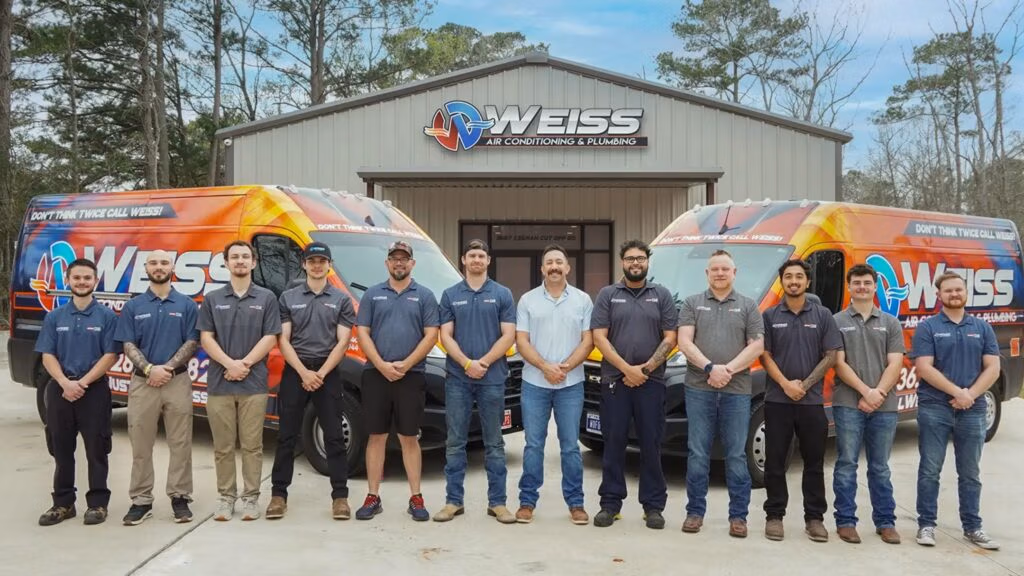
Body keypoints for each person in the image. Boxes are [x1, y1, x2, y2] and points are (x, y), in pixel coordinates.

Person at [911, 271, 1001, 551]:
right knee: (929, 469)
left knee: (970, 472)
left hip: (972, 410)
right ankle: (926, 525)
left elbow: (993, 367)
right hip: (934, 407)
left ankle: (973, 527)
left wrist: (970, 395)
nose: (954, 294)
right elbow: (924, 368)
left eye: (958, 290)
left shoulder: (982, 327)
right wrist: (957, 393)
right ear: (938, 296)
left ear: (966, 293)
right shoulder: (927, 327)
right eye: (948, 291)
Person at [677, 250, 764, 538]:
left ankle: (738, 517)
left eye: (725, 269)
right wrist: (710, 367)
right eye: (714, 269)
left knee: (736, 455)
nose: (719, 273)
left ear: (734, 272)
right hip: (698, 389)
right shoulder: (692, 303)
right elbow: (684, 342)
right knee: (698, 452)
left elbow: (756, 347)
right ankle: (694, 512)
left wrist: (726, 370)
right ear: (707, 274)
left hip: (737, 391)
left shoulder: (749, 306)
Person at [591, 240, 678, 529]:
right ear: (622, 262)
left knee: (651, 444)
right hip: (615, 381)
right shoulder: (607, 294)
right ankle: (610, 504)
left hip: (651, 382)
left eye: (640, 258)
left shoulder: (661, 295)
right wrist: (627, 369)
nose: (635, 263)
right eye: (630, 259)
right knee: (613, 443)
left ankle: (653, 506)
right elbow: (600, 337)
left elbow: (670, 337)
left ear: (648, 262)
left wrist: (646, 368)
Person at [266, 242, 356, 520]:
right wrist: (304, 373)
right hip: (296, 371)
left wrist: (321, 373)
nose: (317, 265)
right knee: (286, 436)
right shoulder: (288, 298)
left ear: (329, 266)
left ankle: (340, 497)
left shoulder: (341, 299)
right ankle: (278, 495)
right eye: (312, 261)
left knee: (334, 437)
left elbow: (342, 342)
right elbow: (283, 339)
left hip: (327, 373)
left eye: (322, 261)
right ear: (303, 264)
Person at [354, 240, 440, 522]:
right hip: (376, 375)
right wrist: (380, 364)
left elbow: (431, 335)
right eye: (394, 259)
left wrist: (406, 364)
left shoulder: (424, 295)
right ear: (387, 263)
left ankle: (416, 498)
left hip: (411, 376)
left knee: (409, 437)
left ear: (412, 263)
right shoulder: (373, 295)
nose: (399, 263)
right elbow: (363, 332)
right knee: (376, 436)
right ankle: (372, 496)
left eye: (404, 259)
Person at [432, 239, 517, 524]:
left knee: (494, 443)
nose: (477, 259)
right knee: (455, 442)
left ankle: (498, 503)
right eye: (472, 255)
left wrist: (484, 363)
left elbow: (508, 335)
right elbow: (445, 336)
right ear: (463, 260)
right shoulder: (450, 295)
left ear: (488, 260)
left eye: (481, 255)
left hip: (493, 379)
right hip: (458, 379)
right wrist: (468, 364)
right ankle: (453, 501)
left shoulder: (503, 294)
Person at [198, 240, 282, 522]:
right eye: (234, 257)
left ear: (254, 262)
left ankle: (250, 499)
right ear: (226, 262)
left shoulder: (267, 298)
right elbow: (206, 337)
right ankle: (225, 498)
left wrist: (244, 364)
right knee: (222, 446)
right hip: (220, 383)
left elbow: (271, 336)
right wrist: (229, 364)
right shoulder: (213, 298)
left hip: (254, 383)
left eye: (245, 257)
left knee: (252, 446)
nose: (240, 261)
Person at [760, 258, 842, 542]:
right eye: (788, 277)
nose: (793, 281)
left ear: (807, 282)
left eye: (798, 277)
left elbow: (831, 354)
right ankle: (774, 515)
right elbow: (764, 355)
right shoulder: (770, 316)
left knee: (814, 462)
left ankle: (814, 518)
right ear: (781, 282)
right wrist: (785, 384)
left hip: (811, 402)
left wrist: (804, 386)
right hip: (777, 401)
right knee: (774, 462)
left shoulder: (823, 315)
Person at [116, 250, 200, 526]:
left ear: (172, 267)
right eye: (154, 262)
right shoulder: (134, 306)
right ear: (146, 267)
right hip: (143, 382)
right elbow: (127, 343)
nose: (159, 267)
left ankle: (180, 497)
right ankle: (141, 500)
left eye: (164, 262)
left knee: (181, 442)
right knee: (141, 443)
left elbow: (192, 343)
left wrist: (166, 369)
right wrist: (151, 369)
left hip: (177, 381)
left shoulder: (187, 305)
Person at [35, 258, 120, 526]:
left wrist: (82, 383)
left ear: (95, 282)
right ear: (68, 281)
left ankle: (97, 504)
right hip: (60, 390)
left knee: (97, 448)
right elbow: (47, 355)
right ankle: (63, 503)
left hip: (93, 391)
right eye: (77, 278)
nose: (82, 282)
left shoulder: (106, 317)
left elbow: (110, 355)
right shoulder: (54, 316)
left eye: (87, 278)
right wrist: (64, 382)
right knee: (61, 448)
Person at [514, 244, 594, 525]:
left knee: (570, 446)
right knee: (533, 445)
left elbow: (588, 340)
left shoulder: (583, 300)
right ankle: (526, 501)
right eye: (549, 262)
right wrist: (546, 367)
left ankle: (576, 503)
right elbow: (521, 340)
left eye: (559, 262)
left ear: (568, 267)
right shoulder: (527, 300)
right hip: (534, 383)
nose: (555, 267)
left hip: (571, 384)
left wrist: (566, 367)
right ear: (542, 269)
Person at [831, 264, 905, 545]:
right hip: (848, 403)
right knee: (847, 463)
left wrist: (878, 393)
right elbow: (838, 363)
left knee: (880, 466)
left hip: (884, 406)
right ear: (849, 287)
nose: (862, 287)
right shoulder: (836, 321)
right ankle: (846, 521)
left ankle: (886, 522)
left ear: (875, 287)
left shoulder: (890, 322)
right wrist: (865, 391)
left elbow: (895, 362)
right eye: (857, 283)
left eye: (867, 283)